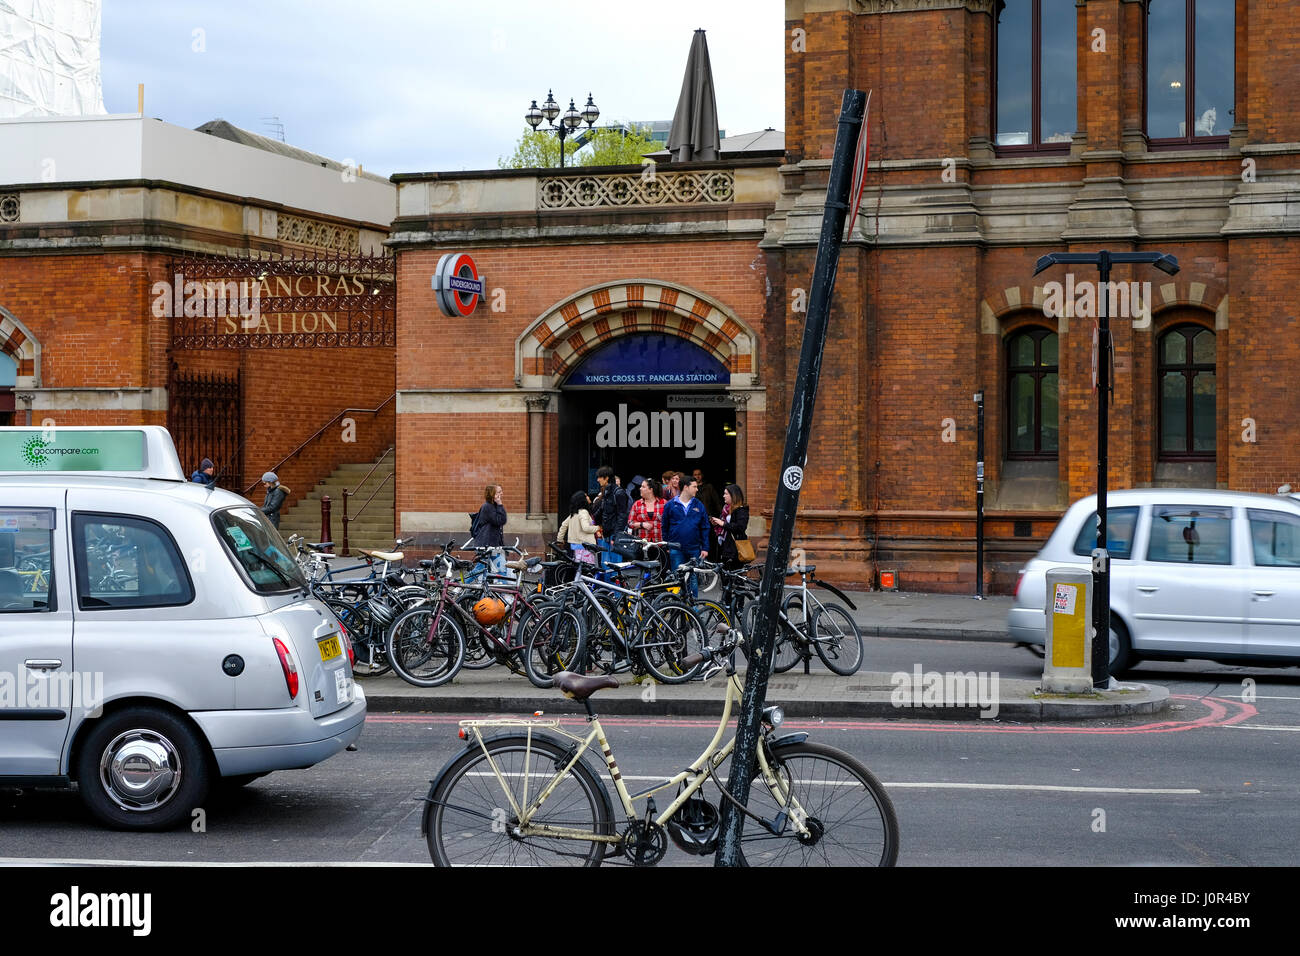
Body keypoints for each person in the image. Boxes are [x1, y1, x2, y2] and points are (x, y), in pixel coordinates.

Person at [661, 474, 710, 595]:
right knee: (677, 579)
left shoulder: (699, 505)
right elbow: (664, 526)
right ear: (686, 487)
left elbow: (705, 527)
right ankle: (677, 608)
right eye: (694, 486)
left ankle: (693, 609)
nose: (697, 489)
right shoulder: (670, 505)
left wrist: (705, 547)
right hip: (676, 548)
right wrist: (668, 544)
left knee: (693, 578)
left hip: (694, 548)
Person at [469, 483, 508, 581]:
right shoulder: (488, 507)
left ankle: (502, 592)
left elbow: (502, 520)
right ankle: (459, 587)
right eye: (499, 492)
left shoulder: (492, 506)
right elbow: (500, 521)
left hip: (492, 546)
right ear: (492, 494)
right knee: (482, 569)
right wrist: (500, 504)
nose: (502, 494)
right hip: (487, 546)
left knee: (500, 570)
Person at [711, 483, 751, 569]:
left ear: (733, 495)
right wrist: (717, 523)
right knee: (724, 576)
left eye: (726, 494)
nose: (723, 496)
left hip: (735, 549)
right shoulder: (725, 509)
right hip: (724, 547)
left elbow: (741, 527)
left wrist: (723, 524)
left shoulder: (741, 510)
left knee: (734, 576)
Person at [557, 490, 600, 566]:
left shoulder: (574, 513)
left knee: (578, 569)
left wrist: (560, 539)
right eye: (586, 496)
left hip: (575, 545)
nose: (588, 497)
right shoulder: (583, 512)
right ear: (582, 499)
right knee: (587, 570)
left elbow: (563, 525)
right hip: (585, 546)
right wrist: (598, 528)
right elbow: (586, 528)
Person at [628, 476, 664, 542]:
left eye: (643, 487)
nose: (640, 488)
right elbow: (630, 523)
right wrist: (642, 524)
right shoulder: (637, 504)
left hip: (660, 543)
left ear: (651, 490)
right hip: (642, 544)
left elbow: (670, 523)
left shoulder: (664, 503)